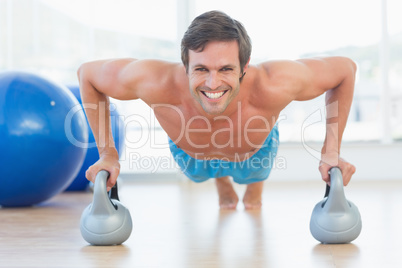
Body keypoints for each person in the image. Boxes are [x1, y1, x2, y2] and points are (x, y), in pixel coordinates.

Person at [78, 10, 356, 210]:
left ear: (245, 66)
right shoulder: (153, 79)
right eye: (200, 69)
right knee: (200, 174)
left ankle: (252, 189)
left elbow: (345, 70)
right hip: (190, 153)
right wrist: (108, 154)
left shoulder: (275, 82)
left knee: (253, 185)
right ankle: (220, 179)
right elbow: (87, 74)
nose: (213, 84)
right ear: (185, 65)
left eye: (226, 69)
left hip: (252, 149)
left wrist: (330, 150)